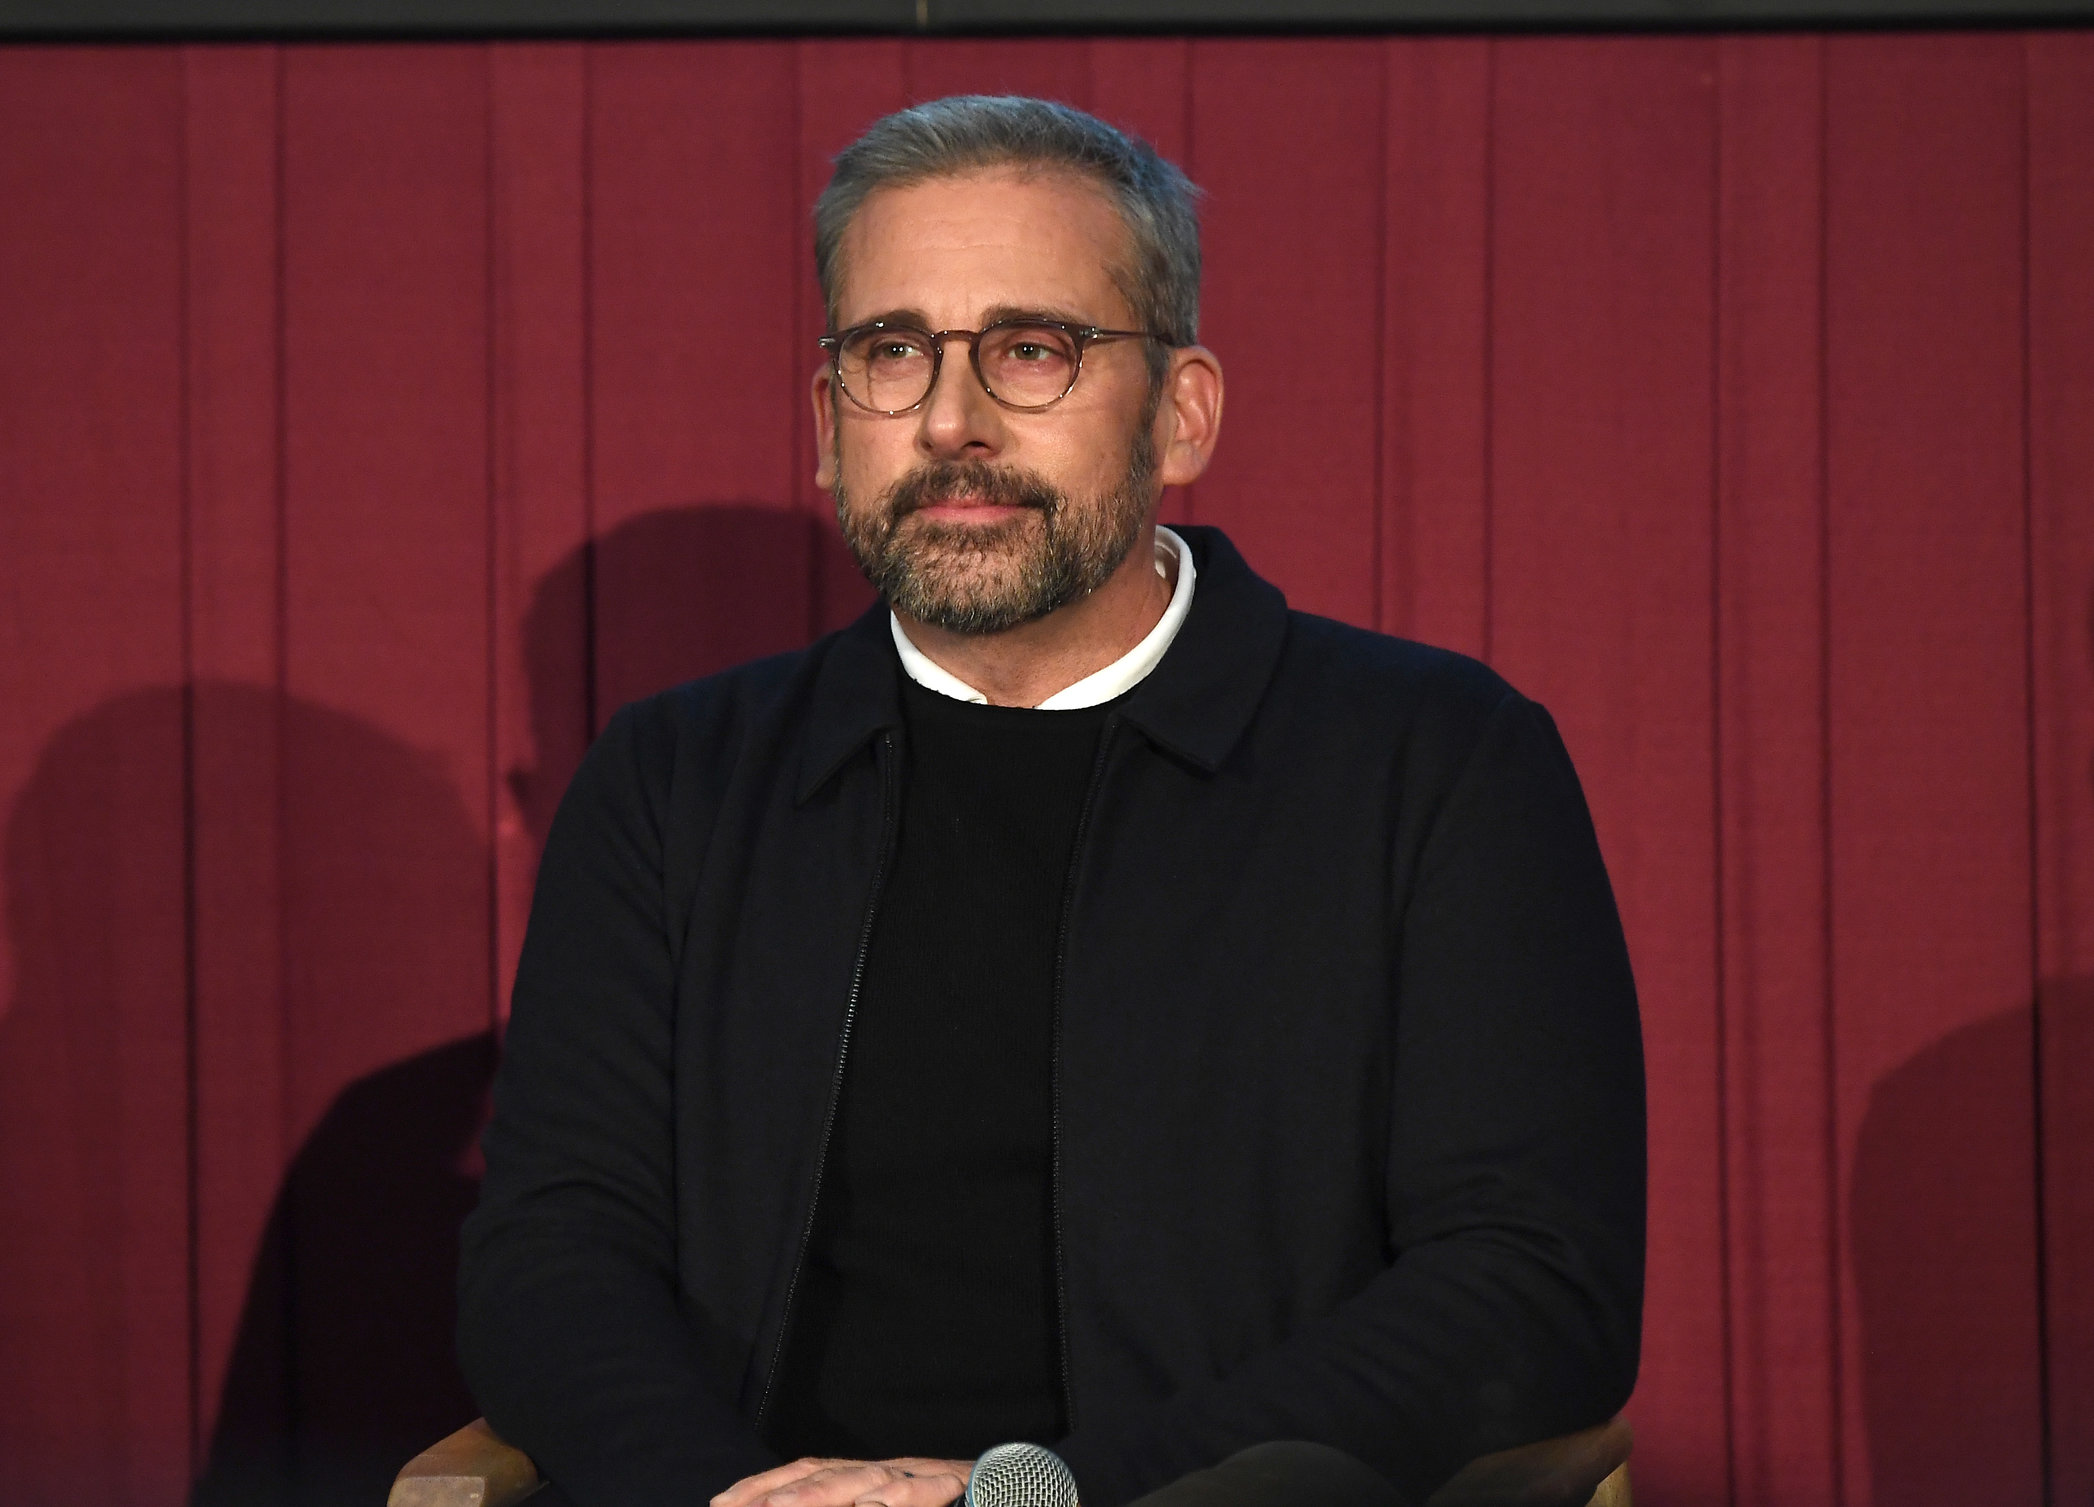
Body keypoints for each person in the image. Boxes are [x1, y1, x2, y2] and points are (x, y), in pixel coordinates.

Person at [457, 96, 1644, 1507]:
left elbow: (1529, 1284)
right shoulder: (674, 780)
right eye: (890, 353)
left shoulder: (1436, 762)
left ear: (1180, 415)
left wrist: (1031, 1495)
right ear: (831, 423)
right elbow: (551, 1249)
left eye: (1032, 352)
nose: (951, 422)